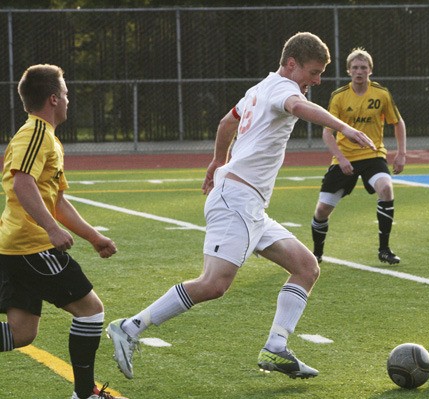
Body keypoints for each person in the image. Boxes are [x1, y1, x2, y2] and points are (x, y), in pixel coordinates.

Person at [106, 32, 375, 380]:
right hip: (237, 201)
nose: (317, 80)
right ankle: (130, 326)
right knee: (213, 284)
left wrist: (217, 161)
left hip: (249, 206)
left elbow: (226, 122)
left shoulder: (259, 88)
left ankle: (276, 347)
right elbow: (298, 107)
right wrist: (342, 127)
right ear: (291, 64)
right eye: (313, 71)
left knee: (306, 267)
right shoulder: (283, 89)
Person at [0, 64, 124, 399]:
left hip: (19, 246)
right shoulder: (36, 134)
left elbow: (57, 202)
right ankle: (85, 395)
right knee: (91, 311)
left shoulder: (46, 138)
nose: (69, 99)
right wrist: (52, 231)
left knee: (21, 333)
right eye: (66, 93)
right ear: (53, 99)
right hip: (32, 246)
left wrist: (93, 236)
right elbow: (23, 182)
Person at [310, 48, 406, 265]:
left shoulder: (381, 94)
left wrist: (401, 153)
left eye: (363, 67)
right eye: (355, 67)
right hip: (345, 158)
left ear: (370, 70)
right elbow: (327, 132)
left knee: (386, 188)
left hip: (373, 156)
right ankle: (316, 253)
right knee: (322, 210)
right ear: (348, 70)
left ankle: (384, 249)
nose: (359, 71)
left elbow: (398, 122)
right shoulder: (339, 96)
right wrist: (341, 159)